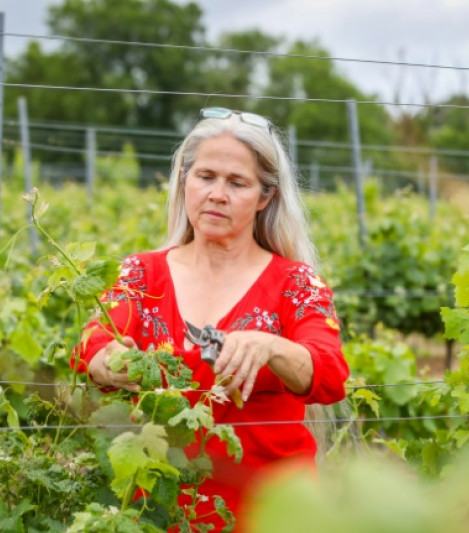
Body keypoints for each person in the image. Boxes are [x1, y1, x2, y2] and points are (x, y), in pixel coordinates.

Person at [74, 107, 349, 532]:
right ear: (184, 180)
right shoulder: (140, 274)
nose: (217, 194)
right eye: (206, 176)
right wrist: (102, 360)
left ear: (265, 197)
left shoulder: (295, 283)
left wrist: (270, 345)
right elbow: (92, 344)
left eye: (237, 183)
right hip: (158, 513)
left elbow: (329, 373)